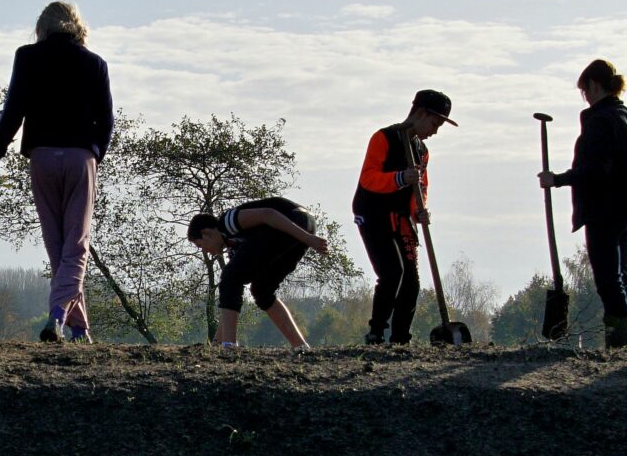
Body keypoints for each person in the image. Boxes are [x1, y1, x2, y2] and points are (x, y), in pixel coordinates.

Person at [0, 1, 113, 342]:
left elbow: (13, 112)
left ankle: (79, 328)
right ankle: (58, 315)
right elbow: (106, 121)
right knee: (76, 246)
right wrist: (96, 154)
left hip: (42, 158)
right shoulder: (94, 63)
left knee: (58, 246)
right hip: (80, 157)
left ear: (43, 27)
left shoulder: (27, 57)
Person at [540, 60, 627, 347]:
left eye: (585, 90)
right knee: (622, 278)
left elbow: (595, 170)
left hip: (604, 210)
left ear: (594, 85)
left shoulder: (600, 121)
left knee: (609, 280)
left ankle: (618, 344)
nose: (586, 97)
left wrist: (556, 179)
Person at [353, 90, 453, 345]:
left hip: (401, 218)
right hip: (373, 214)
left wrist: (419, 210)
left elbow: (421, 187)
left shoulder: (422, 150)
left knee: (411, 282)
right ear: (420, 114)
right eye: (434, 124)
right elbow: (368, 178)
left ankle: (401, 339)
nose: (435, 131)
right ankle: (376, 332)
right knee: (392, 273)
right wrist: (399, 178)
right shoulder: (383, 138)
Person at [189, 197, 328, 348]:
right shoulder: (234, 245)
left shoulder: (227, 222)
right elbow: (229, 298)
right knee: (262, 290)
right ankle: (300, 346)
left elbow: (268, 214)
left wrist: (308, 239)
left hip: (294, 220)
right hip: (304, 224)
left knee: (231, 277)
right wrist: (215, 342)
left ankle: (229, 346)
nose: (205, 252)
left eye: (200, 245)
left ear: (206, 233)